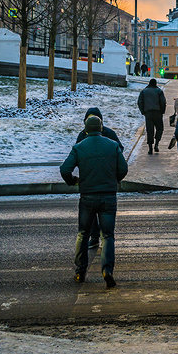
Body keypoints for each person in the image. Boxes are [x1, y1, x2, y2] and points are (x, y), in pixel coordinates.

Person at [60, 114, 128, 288]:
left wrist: (73, 181)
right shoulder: (112, 146)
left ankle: (80, 271)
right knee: (108, 235)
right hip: (108, 196)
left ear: (85, 129)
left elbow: (65, 169)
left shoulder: (79, 147)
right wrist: (113, 179)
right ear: (101, 128)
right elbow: (123, 169)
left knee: (83, 233)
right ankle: (107, 271)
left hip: (87, 196)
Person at [75, 107, 124, 250]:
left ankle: (103, 239)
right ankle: (95, 237)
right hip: (92, 180)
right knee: (93, 215)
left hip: (101, 180)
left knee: (101, 213)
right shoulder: (82, 135)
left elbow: (119, 151)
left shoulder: (108, 133)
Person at [137, 78, 166, 154]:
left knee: (150, 130)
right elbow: (163, 102)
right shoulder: (159, 91)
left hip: (148, 113)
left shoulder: (144, 91)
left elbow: (140, 102)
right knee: (160, 128)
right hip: (158, 113)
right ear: (155, 83)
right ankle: (156, 144)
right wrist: (162, 111)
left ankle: (150, 148)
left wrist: (143, 111)